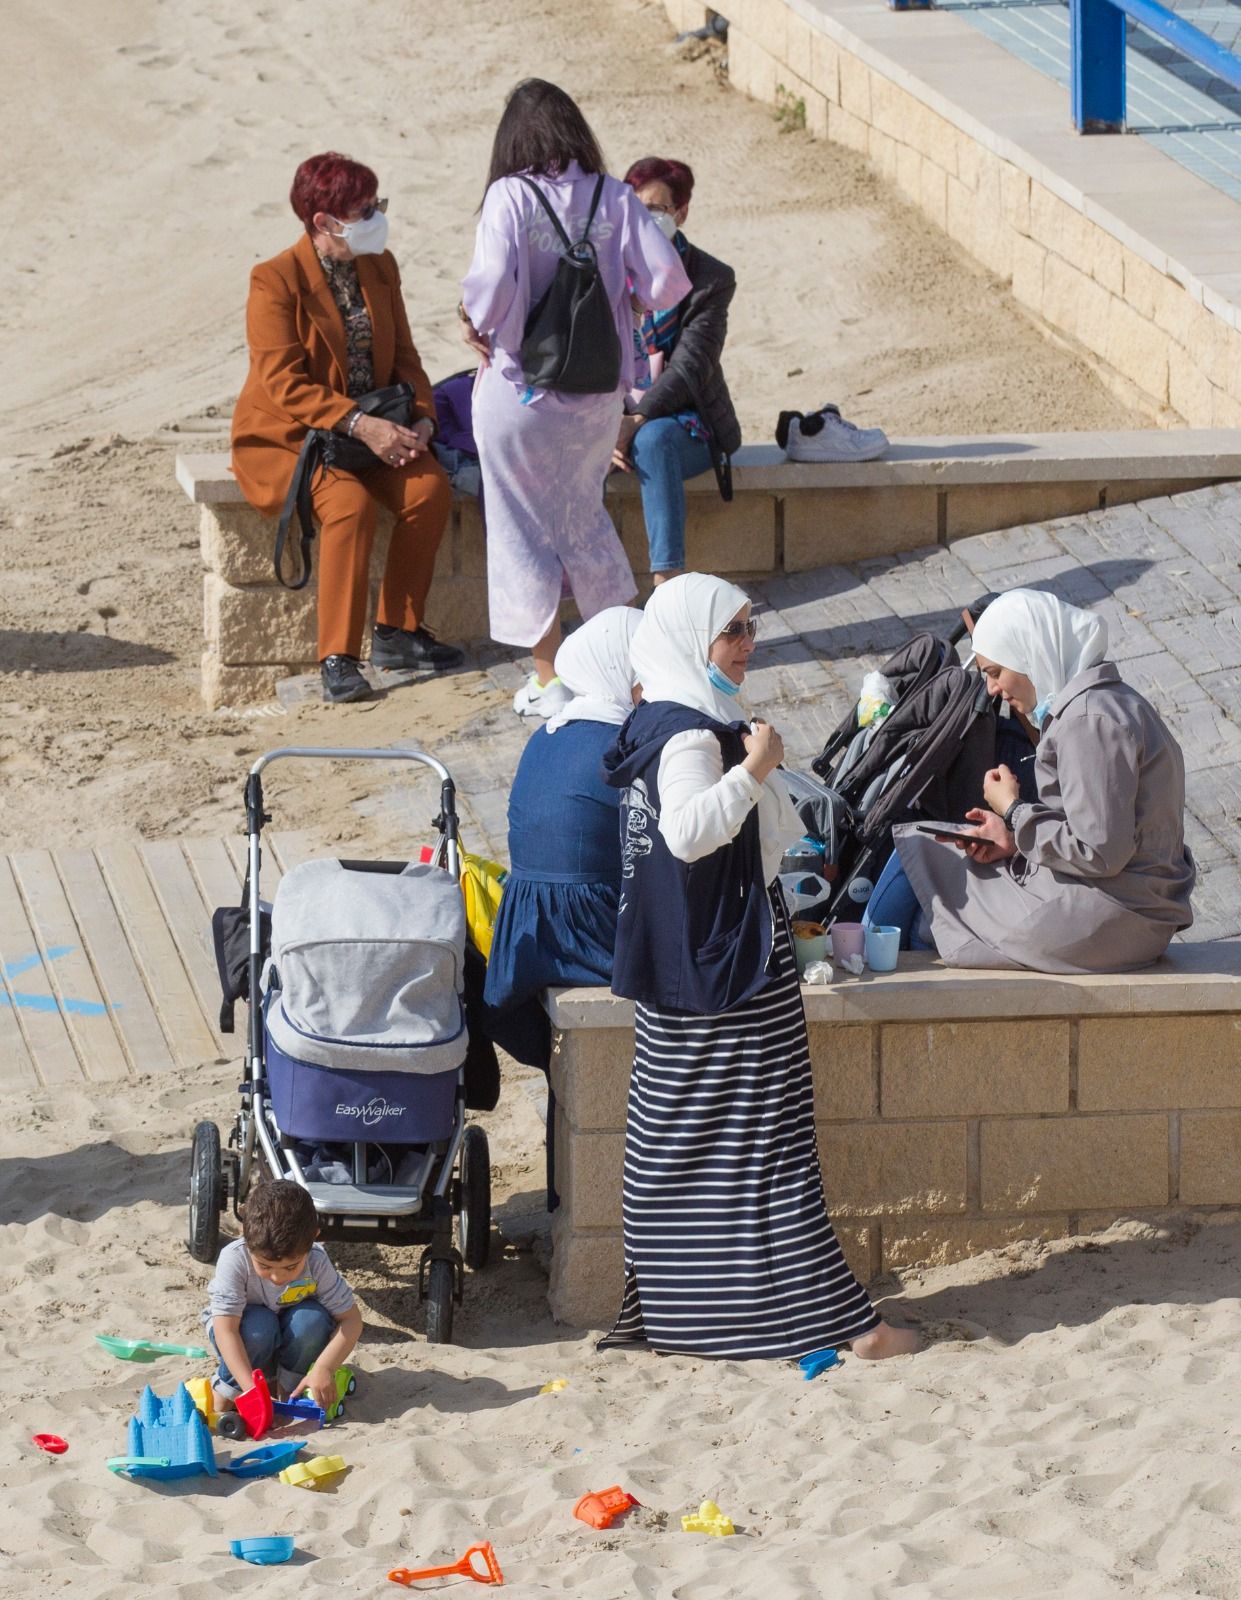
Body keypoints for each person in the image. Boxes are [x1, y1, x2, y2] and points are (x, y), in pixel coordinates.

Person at [598, 573, 919, 1361]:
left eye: (750, 626)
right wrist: (756, 769)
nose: (748, 644)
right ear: (688, 640)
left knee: (679, 1143)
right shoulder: (689, 738)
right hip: (730, 971)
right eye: (731, 631)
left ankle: (688, 1317)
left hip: (685, 967)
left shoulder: (661, 720)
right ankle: (848, 1328)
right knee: (764, 1151)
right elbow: (686, 833)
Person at [459, 80, 690, 719]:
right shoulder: (615, 197)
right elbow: (669, 282)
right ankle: (625, 670)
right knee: (583, 519)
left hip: (519, 394)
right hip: (594, 395)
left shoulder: (508, 196)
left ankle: (546, 677)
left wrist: (470, 320)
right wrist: (630, 301)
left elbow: (487, 293)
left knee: (520, 528)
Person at [232, 151, 460, 705]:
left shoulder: (380, 267)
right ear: (324, 222)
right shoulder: (275, 281)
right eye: (365, 208)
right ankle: (337, 656)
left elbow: (406, 354)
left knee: (429, 490)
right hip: (295, 437)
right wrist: (360, 424)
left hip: (373, 430)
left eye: (376, 203)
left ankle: (397, 633)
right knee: (349, 507)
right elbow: (283, 383)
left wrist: (423, 417)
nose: (377, 215)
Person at [875, 587, 1196, 971]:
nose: (992, 688)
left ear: (1030, 655)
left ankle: (864, 974)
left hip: (1111, 915)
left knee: (923, 874)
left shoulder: (1087, 722)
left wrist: (1013, 809)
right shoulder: (1110, 702)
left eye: (995, 672)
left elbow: (1099, 851)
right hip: (1129, 907)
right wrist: (1013, 841)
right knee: (931, 886)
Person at [483, 607, 642, 1205]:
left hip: (525, 926)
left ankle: (562, 1193)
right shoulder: (625, 745)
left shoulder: (548, 734)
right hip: (586, 927)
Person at [614, 157, 741, 585]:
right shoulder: (608, 269)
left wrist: (634, 422)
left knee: (652, 441)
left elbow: (691, 367)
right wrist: (606, 425)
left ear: (680, 212)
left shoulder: (710, 279)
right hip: (617, 417)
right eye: (634, 209)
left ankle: (667, 584)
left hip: (687, 421)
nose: (642, 220)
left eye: (655, 209)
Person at [202, 1180, 362, 1413]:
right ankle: (230, 1387)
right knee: (260, 1327)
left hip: (293, 1332)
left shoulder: (316, 1261)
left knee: (312, 1320)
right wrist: (251, 1392)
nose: (277, 1278)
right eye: (265, 1266)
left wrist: (324, 1368)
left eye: (291, 1267)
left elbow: (352, 1320)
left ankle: (289, 1389)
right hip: (246, 1331)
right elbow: (226, 1330)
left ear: (313, 1238)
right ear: (244, 1235)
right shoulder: (234, 1259)